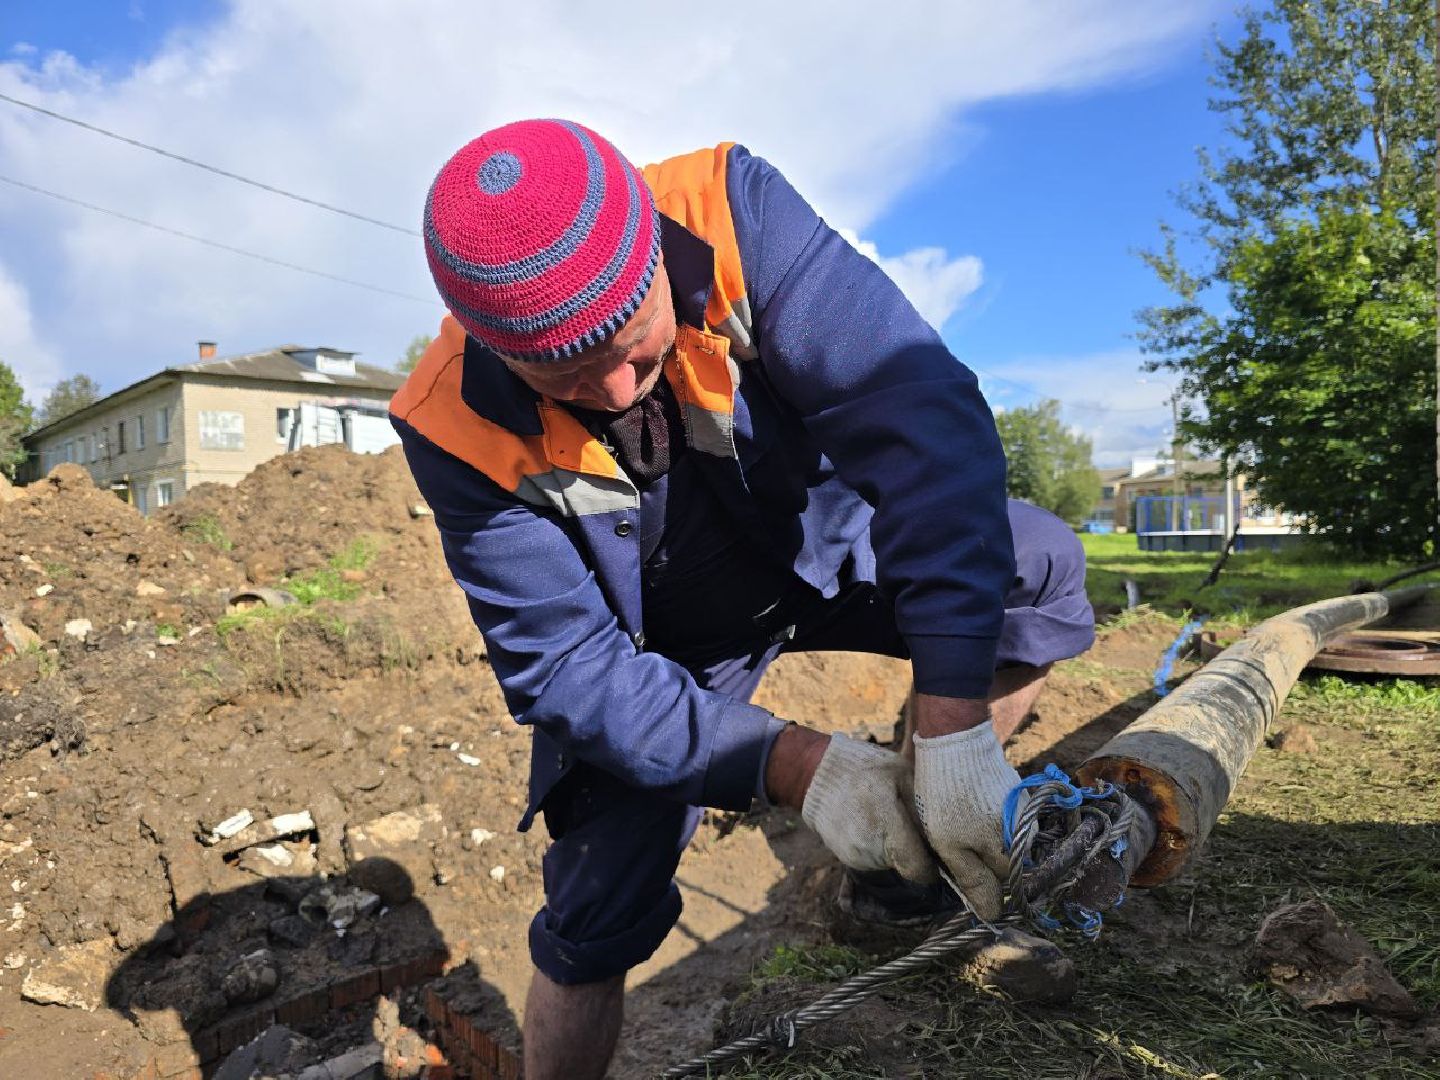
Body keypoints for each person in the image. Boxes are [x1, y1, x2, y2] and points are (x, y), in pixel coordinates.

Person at [391, 118, 1095, 1079]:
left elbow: (926, 427)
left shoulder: (730, 215)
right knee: (594, 913)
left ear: (653, 259)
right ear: (491, 346)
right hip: (663, 650)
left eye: (634, 349)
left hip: (826, 552)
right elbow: (565, 667)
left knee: (1035, 565)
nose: (612, 390)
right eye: (564, 377)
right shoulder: (451, 419)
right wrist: (801, 766)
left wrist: (953, 728)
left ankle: (918, 842)